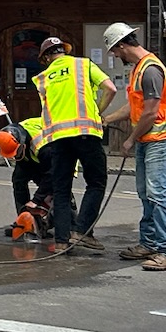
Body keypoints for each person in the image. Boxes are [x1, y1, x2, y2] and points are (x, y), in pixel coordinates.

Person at [105, 22, 166, 271]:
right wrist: (106, 119)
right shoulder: (139, 69)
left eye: (114, 50)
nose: (115, 55)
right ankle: (150, 243)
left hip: (161, 140)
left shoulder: (150, 70)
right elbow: (135, 107)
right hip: (149, 140)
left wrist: (130, 139)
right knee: (146, 193)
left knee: (157, 194)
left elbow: (151, 113)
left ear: (122, 45)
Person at [31, 34, 118, 254]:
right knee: (96, 182)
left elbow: (48, 109)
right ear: (64, 51)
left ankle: (61, 242)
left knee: (61, 189)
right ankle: (82, 231)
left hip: (58, 139)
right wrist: (98, 112)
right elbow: (111, 88)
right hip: (86, 133)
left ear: (46, 58)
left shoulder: (42, 78)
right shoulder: (83, 65)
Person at [0, 115, 54, 238]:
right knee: (18, 180)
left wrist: (36, 200)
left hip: (55, 159)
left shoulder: (43, 146)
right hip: (31, 154)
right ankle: (24, 221)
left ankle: (68, 226)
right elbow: (20, 160)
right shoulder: (15, 136)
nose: (14, 157)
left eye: (16, 153)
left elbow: (51, 175)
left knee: (54, 190)